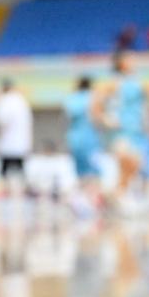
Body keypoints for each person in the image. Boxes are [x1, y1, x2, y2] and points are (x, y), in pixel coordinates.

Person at [93, 51, 149, 212]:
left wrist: (147, 123)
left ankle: (114, 195)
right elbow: (96, 105)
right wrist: (106, 119)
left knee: (134, 165)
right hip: (120, 131)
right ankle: (116, 196)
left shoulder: (137, 82)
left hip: (135, 130)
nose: (134, 61)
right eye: (129, 59)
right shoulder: (114, 83)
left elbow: (144, 106)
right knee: (127, 160)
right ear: (121, 63)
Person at [63, 76, 101, 215]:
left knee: (80, 173)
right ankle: (90, 205)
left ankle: (76, 200)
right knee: (93, 174)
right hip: (89, 139)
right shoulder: (92, 98)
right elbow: (96, 118)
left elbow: (68, 119)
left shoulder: (71, 99)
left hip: (74, 139)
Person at [0, 78, 33, 193]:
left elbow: (1, 123)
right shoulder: (21, 100)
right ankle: (22, 194)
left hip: (7, 144)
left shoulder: (4, 101)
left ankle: (7, 194)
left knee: (4, 174)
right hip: (21, 144)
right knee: (20, 173)